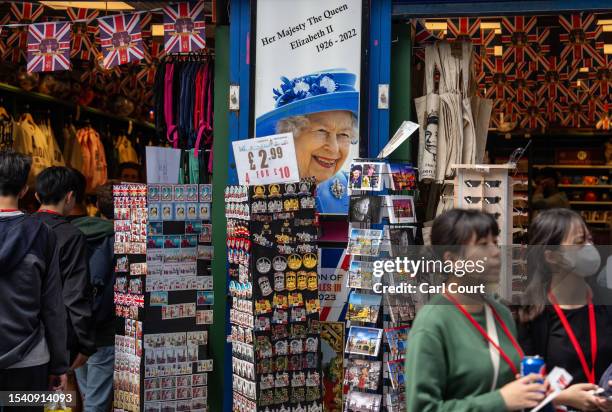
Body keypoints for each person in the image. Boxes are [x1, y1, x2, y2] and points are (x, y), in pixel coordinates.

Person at [405, 209, 547, 411]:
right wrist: (501, 401)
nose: (496, 252)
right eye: (483, 245)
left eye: (495, 243)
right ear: (452, 260)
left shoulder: (501, 313)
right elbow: (422, 408)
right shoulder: (432, 322)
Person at [519, 208, 612, 412]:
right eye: (579, 242)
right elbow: (520, 387)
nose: (589, 247)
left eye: (589, 239)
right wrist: (562, 397)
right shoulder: (529, 313)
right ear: (552, 256)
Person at [0, 150, 67, 406]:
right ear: (25, 190)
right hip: (30, 360)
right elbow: (53, 305)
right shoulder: (43, 234)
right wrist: (60, 364)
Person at [256, 70, 359, 214]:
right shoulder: (259, 191)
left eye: (343, 134)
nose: (334, 148)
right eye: (322, 131)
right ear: (289, 133)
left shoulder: (354, 190)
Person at [33, 167, 96, 375]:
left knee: (17, 399)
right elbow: (75, 294)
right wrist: (86, 343)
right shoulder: (71, 235)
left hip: (16, 333)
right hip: (54, 338)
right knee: (53, 399)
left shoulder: (19, 227)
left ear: (36, 196)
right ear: (70, 197)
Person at [67, 174, 116, 412]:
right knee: (96, 403)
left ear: (97, 205)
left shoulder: (73, 232)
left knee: (87, 395)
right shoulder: (117, 239)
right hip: (104, 332)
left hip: (76, 329)